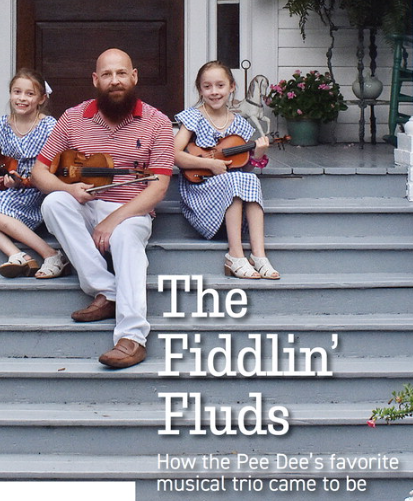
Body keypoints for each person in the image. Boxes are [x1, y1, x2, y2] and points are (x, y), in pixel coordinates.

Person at [31, 49, 174, 368]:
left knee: (124, 238)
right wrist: (67, 188)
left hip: (132, 210)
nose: (115, 81)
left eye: (121, 73)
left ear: (134, 76)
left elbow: (159, 186)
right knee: (54, 202)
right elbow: (39, 172)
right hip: (87, 203)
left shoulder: (157, 122)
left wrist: (112, 220)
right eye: (107, 75)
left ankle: (132, 337)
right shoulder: (73, 117)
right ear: (95, 80)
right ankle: (106, 290)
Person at [0, 68, 69, 279]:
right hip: (7, 190)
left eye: (29, 94)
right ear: (10, 94)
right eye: (17, 92)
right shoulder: (1, 125)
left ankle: (53, 254)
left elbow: (54, 169)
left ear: (41, 99)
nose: (22, 98)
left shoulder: (48, 127)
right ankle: (18, 256)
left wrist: (23, 182)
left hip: (35, 189)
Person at [174, 61, 280, 280]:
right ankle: (235, 254)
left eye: (220, 86)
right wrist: (209, 164)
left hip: (228, 192)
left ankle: (258, 255)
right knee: (234, 182)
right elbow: (174, 155)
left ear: (231, 87)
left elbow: (242, 166)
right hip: (199, 189)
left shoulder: (240, 124)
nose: (214, 92)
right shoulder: (193, 117)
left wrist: (258, 154)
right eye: (207, 87)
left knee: (249, 180)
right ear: (200, 89)